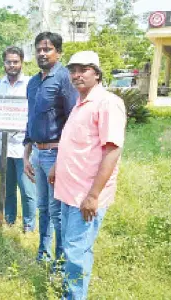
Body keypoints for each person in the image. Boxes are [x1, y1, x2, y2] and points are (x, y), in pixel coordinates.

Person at [49, 51, 126, 299]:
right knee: (77, 249)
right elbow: (75, 143)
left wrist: (93, 195)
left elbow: (112, 151)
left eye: (84, 69)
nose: (77, 74)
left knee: (74, 251)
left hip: (86, 195)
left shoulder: (107, 103)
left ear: (97, 73)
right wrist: (56, 167)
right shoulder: (80, 103)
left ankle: (73, 296)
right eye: (73, 70)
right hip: (69, 190)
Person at [23, 32, 78, 265]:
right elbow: (31, 118)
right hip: (36, 153)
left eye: (48, 49)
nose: (42, 53)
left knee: (57, 213)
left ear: (58, 52)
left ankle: (60, 262)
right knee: (42, 208)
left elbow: (73, 120)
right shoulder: (34, 82)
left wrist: (61, 160)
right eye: (39, 49)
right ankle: (42, 255)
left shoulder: (64, 78)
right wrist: (26, 154)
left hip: (56, 154)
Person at [0, 46, 36, 230]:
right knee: (7, 186)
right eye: (8, 61)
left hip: (24, 147)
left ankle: (29, 225)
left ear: (22, 63)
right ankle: (9, 219)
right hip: (2, 146)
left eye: (15, 62)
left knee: (27, 189)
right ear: (4, 63)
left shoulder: (31, 84)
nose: (12, 65)